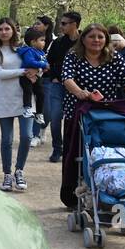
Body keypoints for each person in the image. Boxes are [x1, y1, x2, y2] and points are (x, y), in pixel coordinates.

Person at [58, 22, 125, 209]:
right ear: (83, 39)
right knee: (75, 154)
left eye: (100, 37)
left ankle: (108, 192)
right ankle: (72, 196)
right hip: (78, 113)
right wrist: (79, 92)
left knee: (106, 153)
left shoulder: (113, 56)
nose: (96, 40)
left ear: (106, 39)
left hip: (105, 115)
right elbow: (67, 79)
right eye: (92, 36)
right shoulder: (73, 56)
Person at [0, 18, 38, 191]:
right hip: (5, 99)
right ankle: (7, 174)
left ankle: (19, 170)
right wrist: (23, 72)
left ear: (13, 30)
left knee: (27, 136)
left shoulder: (23, 48)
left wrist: (36, 71)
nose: (4, 32)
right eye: (0, 29)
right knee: (7, 140)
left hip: (25, 99)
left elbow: (36, 65)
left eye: (7, 28)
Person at [42, 11, 81, 163]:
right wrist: (53, 77)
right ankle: (57, 148)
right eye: (61, 23)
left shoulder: (84, 42)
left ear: (75, 25)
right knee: (55, 117)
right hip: (58, 85)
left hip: (78, 87)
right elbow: (48, 62)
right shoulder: (58, 42)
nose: (61, 26)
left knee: (74, 119)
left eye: (64, 23)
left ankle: (71, 150)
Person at [17, 25, 50, 133]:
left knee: (41, 94)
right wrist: (43, 65)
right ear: (33, 42)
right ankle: (27, 108)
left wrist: (44, 66)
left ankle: (39, 113)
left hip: (37, 77)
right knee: (28, 91)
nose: (44, 42)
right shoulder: (29, 51)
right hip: (26, 77)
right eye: (42, 40)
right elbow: (29, 62)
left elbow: (45, 62)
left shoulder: (41, 52)